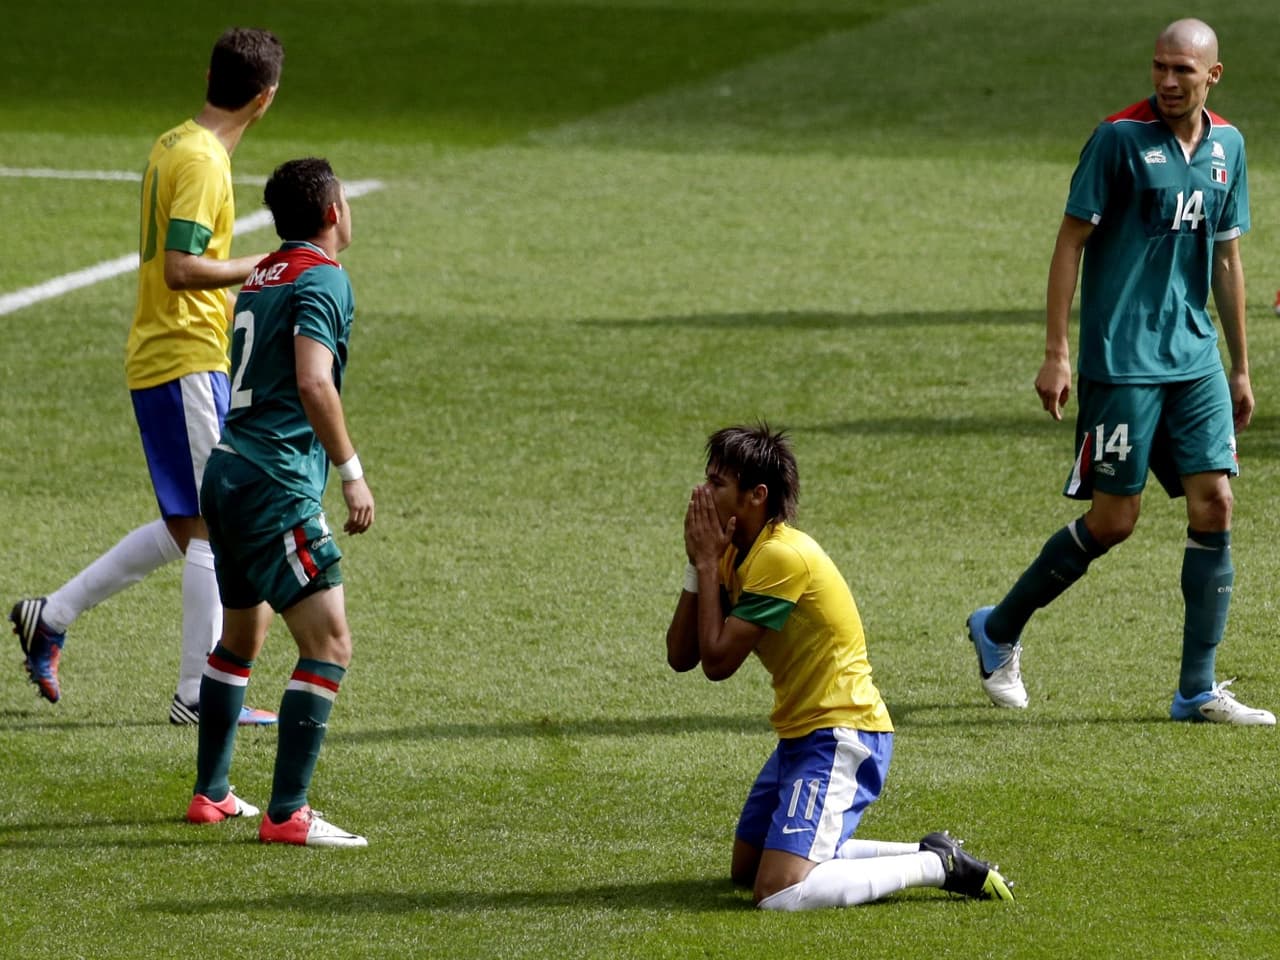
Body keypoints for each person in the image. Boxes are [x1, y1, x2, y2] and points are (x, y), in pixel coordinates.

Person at [966, 19, 1274, 726]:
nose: (1167, 82)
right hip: (1122, 359)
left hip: (1193, 358)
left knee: (1216, 504)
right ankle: (999, 628)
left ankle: (1196, 690)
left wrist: (1241, 367)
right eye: (1160, 68)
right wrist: (1057, 351)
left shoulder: (1229, 146)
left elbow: (1227, 259)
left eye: (1182, 72)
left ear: (1212, 76)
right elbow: (1070, 242)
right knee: (1114, 521)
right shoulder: (1116, 140)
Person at [9, 27, 284, 726]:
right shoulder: (203, 163)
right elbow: (180, 267)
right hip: (179, 355)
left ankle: (54, 614)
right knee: (211, 528)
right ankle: (198, 692)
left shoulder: (175, 143)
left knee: (186, 519)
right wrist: (258, 267)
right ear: (266, 99)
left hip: (182, 352)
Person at [666, 424, 1013, 909]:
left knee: (779, 891)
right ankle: (924, 850)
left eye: (717, 484)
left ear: (756, 496)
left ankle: (937, 866)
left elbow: (718, 663)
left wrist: (705, 565)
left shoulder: (780, 556)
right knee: (748, 869)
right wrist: (697, 565)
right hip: (801, 735)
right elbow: (682, 656)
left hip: (842, 733)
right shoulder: (733, 554)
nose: (702, 494)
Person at [184, 157, 372, 847]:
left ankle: (210, 794)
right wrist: (351, 472)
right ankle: (289, 812)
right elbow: (314, 382)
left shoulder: (263, 276)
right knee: (328, 643)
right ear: (331, 213)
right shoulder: (324, 278)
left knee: (241, 638)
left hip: (227, 473)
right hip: (273, 484)